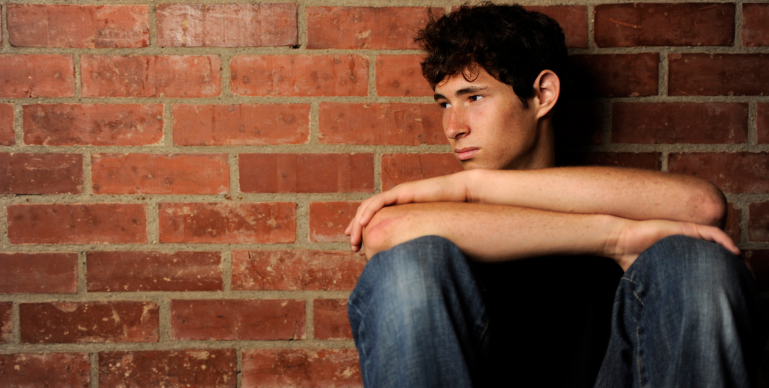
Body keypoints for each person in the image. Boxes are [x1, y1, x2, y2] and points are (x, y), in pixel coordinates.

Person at [344, 3, 767, 388]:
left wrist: (475, 186)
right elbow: (382, 232)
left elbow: (704, 206)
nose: (453, 127)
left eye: (473, 98)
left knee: (696, 259)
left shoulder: (610, 197)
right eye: (443, 104)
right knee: (407, 265)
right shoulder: (442, 219)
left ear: (543, 95)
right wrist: (612, 239)